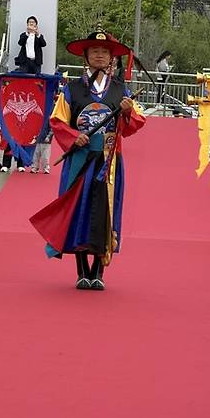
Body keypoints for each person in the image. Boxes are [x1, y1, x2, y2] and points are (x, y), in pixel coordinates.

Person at [30, 31, 145, 291]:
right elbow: (57, 121)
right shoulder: (72, 89)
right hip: (80, 159)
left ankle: (99, 272)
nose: (100, 55)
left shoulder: (121, 89)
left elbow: (135, 123)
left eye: (105, 51)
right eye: (94, 51)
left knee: (106, 212)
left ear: (111, 57)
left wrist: (127, 113)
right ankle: (82, 271)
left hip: (110, 160)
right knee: (77, 211)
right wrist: (74, 137)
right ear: (86, 56)